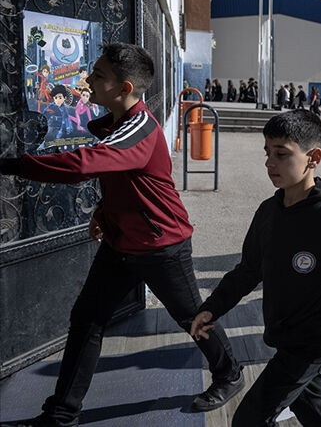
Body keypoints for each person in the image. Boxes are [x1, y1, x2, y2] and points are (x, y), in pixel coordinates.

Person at [0, 43, 243, 426]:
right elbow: (124, 181)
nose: (88, 80)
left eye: (98, 75)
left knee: (192, 317)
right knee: (87, 319)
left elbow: (86, 164)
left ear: (125, 87)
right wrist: (103, 212)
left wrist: (13, 165)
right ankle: (61, 415)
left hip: (162, 245)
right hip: (120, 243)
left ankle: (229, 373)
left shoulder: (139, 129)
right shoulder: (117, 124)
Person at [190, 110, 321, 426]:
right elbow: (248, 269)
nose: (269, 162)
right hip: (284, 333)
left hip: (312, 342)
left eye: (281, 154)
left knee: (247, 420)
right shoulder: (268, 213)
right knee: (311, 407)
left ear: (313, 157)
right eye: (267, 153)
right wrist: (213, 308)